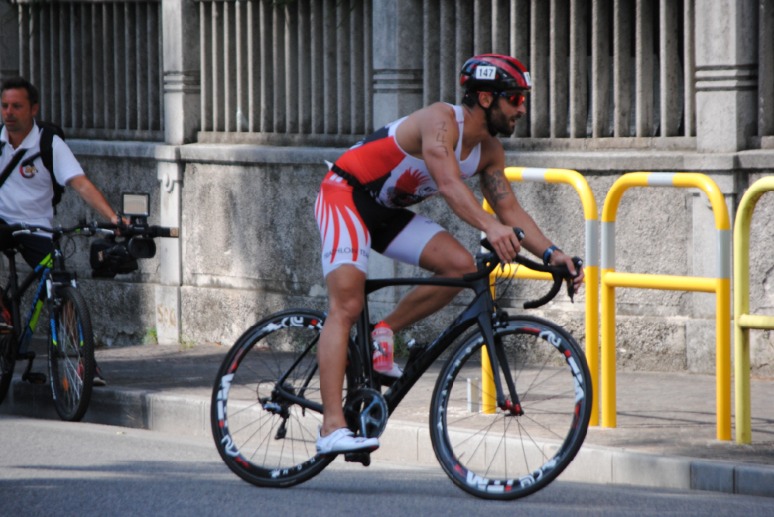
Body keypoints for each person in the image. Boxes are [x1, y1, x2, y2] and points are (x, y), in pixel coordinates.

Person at [313, 54, 585, 455]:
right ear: (487, 99)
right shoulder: (441, 121)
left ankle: (380, 332)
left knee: (460, 267)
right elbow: (448, 182)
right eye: (515, 99)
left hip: (385, 211)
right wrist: (490, 227)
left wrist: (553, 254)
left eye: (523, 99)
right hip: (345, 194)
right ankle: (331, 426)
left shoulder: (490, 151)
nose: (522, 109)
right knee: (347, 303)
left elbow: (509, 209)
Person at [0, 76, 124, 386]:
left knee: (61, 281)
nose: (9, 112)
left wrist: (113, 217)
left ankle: (84, 360)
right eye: (4, 106)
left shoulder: (48, 143)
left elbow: (79, 182)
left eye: (17, 106)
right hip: (1, 223)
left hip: (36, 229)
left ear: (34, 109)